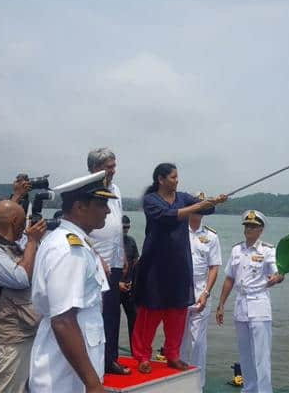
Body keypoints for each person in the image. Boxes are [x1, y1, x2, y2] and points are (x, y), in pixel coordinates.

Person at [132, 163, 227, 374]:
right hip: (155, 268)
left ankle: (173, 355)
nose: (177, 180)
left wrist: (213, 201)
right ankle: (142, 356)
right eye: (173, 177)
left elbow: (207, 208)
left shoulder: (183, 197)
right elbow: (168, 216)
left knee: (177, 314)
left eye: (177, 177)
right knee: (149, 314)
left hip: (179, 267)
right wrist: (198, 206)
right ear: (161, 179)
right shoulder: (151, 201)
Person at [28, 171, 114, 393]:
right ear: (79, 207)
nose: (107, 210)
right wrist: (93, 384)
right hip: (63, 379)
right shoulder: (68, 249)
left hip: (72, 375)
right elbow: (63, 321)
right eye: (101, 203)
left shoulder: (77, 244)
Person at [0, 200, 46, 393]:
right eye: (23, 223)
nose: (25, 229)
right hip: (10, 343)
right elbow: (21, 278)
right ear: (15, 221)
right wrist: (32, 241)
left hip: (31, 335)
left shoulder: (14, 247)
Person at [216, 210, 285, 393]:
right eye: (247, 226)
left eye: (253, 226)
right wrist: (221, 304)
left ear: (261, 230)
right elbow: (229, 279)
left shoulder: (268, 250)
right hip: (241, 305)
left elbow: (278, 273)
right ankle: (249, 390)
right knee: (245, 356)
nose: (248, 229)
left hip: (259, 304)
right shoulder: (237, 250)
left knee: (261, 357)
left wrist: (276, 278)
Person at [85, 148, 130, 376]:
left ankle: (110, 359)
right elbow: (80, 228)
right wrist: (95, 255)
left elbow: (116, 225)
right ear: (94, 168)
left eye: (114, 165)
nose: (113, 170)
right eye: (108, 166)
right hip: (91, 261)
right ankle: (91, 361)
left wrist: (121, 253)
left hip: (113, 261)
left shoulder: (116, 190)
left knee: (112, 313)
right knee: (92, 313)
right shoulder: (85, 190)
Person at [180, 207, 222, 389]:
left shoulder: (212, 236)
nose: (198, 213)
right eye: (196, 209)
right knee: (178, 340)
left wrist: (206, 292)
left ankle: (198, 385)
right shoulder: (178, 232)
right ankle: (178, 382)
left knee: (198, 341)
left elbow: (214, 266)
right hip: (179, 289)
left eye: (201, 210)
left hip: (200, 289)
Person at [119, 215, 138, 351]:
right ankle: (110, 352)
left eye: (128, 227)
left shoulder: (131, 241)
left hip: (129, 287)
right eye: (123, 227)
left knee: (134, 319)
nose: (126, 230)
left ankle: (135, 350)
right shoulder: (111, 242)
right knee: (112, 320)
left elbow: (136, 262)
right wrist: (117, 283)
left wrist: (133, 281)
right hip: (114, 287)